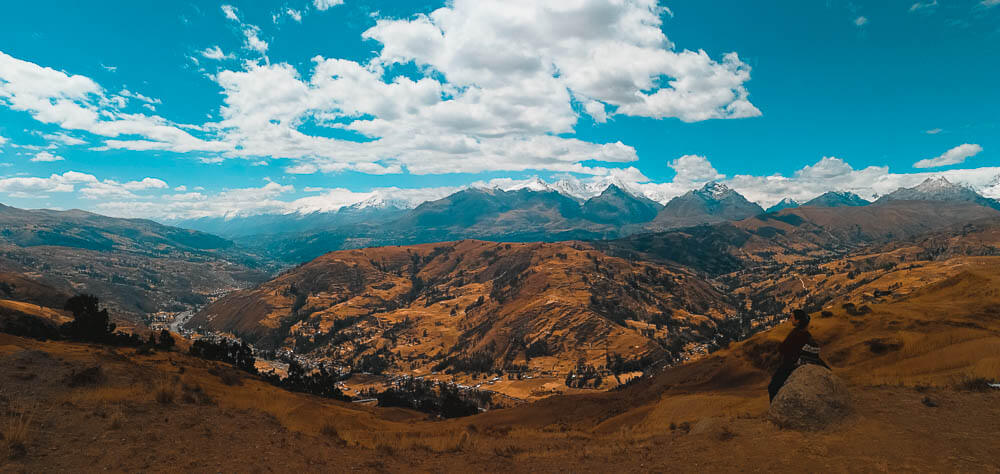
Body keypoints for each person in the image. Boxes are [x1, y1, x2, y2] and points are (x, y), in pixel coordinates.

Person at [768, 309, 813, 402]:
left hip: (789, 365)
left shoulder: (798, 334)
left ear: (798, 320)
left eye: (792, 317)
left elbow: (786, 349)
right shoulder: (803, 333)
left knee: (773, 387)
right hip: (791, 363)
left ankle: (775, 409)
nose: (790, 319)